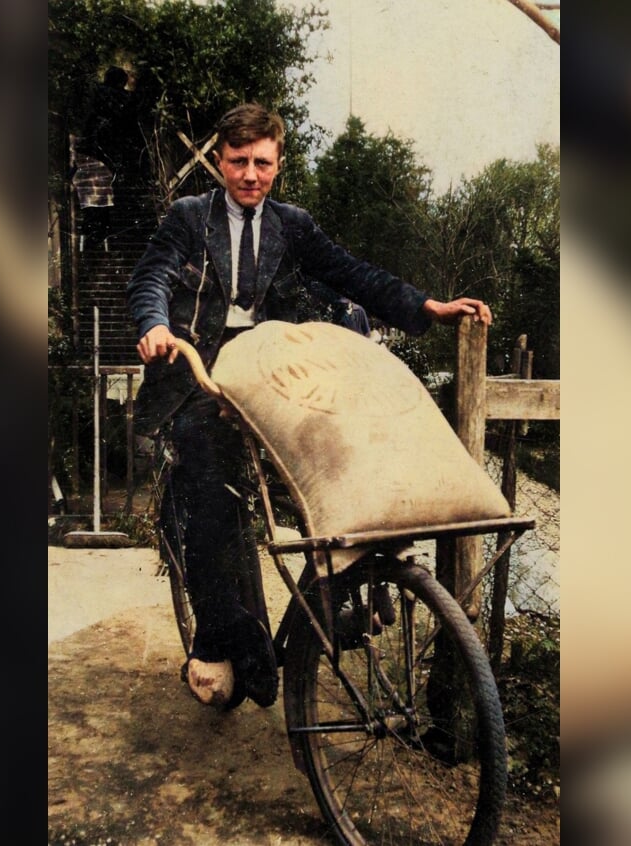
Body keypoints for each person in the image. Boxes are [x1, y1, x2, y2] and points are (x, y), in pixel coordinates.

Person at [127, 103, 492, 708]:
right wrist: (155, 326)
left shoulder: (292, 224)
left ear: (279, 164)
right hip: (198, 374)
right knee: (205, 484)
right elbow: (153, 278)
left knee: (338, 453)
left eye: (262, 163)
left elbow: (350, 273)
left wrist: (426, 307)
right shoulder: (188, 217)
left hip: (269, 373)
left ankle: (339, 590)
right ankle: (231, 632)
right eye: (238, 162)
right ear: (219, 161)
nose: (250, 175)